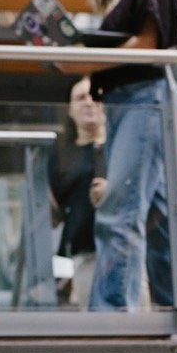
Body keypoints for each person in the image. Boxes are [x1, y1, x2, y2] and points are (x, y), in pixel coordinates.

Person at [58, 0, 177, 311]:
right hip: (126, 102)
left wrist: (86, 61)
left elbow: (148, 46)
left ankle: (112, 313)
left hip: (144, 97)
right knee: (156, 217)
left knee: (119, 208)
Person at [48, 77, 106, 305]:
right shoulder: (60, 158)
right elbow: (51, 213)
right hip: (84, 255)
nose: (89, 102)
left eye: (94, 96)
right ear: (70, 110)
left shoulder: (124, 148)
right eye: (81, 98)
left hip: (127, 250)